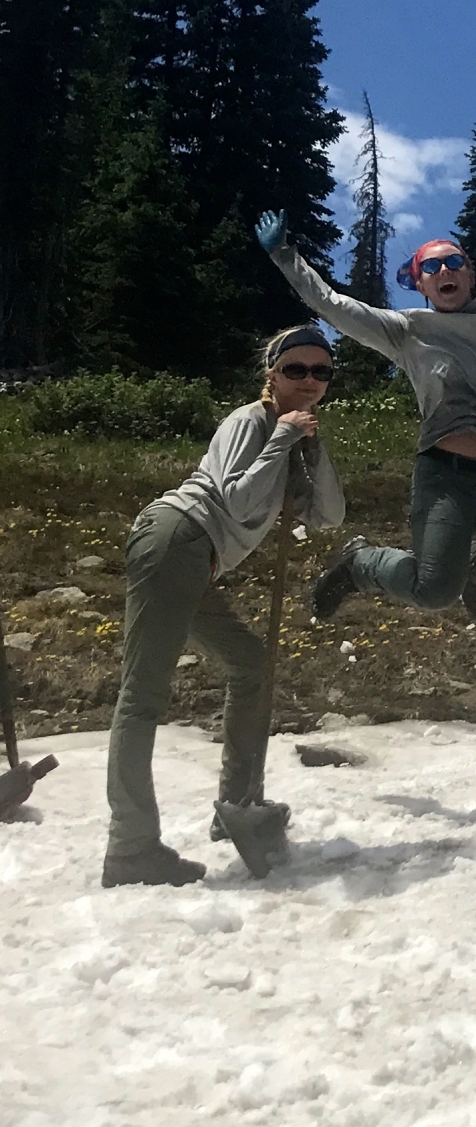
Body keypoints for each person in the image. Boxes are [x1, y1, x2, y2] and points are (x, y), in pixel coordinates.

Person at [259, 150, 476, 627]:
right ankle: (360, 564)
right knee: (432, 592)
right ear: (421, 286)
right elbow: (332, 305)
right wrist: (286, 257)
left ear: (470, 273)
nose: (445, 272)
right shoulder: (406, 331)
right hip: (445, 477)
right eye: (433, 268)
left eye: (454, 262)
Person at [102, 326, 346, 887]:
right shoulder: (249, 422)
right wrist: (282, 437)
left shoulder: (295, 436)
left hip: (197, 559)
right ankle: (130, 846)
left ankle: (238, 804)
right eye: (296, 370)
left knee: (250, 663)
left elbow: (329, 515)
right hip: (175, 539)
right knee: (142, 695)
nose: (309, 381)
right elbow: (233, 496)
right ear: (272, 372)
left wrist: (311, 444)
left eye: (321, 372)